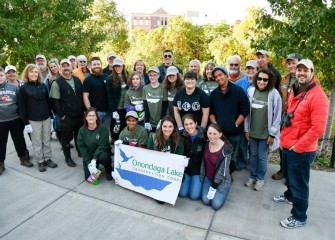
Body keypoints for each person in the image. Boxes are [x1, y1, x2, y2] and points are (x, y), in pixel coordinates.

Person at [273, 59, 328, 229]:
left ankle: (299, 216)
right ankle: (289, 196)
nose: (302, 73)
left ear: (312, 72)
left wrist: (298, 147)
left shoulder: (318, 96)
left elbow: (317, 129)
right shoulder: (295, 89)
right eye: (299, 70)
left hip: (301, 150)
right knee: (290, 178)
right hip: (289, 144)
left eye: (306, 70)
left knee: (299, 184)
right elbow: (290, 117)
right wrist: (283, 140)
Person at [244, 69, 282, 191]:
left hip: (266, 134)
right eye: (259, 79)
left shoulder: (274, 94)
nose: (262, 81)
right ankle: (252, 176)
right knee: (253, 156)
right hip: (253, 131)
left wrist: (272, 134)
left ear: (269, 81)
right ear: (256, 79)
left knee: (262, 156)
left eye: (265, 80)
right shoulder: (250, 91)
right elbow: (246, 113)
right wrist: (246, 130)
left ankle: (260, 179)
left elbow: (277, 116)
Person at [209, 66, 250, 172]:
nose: (218, 78)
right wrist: (215, 126)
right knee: (219, 155)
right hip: (220, 133)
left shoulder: (238, 91)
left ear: (226, 75)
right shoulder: (214, 94)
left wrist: (236, 124)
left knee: (232, 156)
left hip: (234, 132)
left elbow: (245, 109)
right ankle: (220, 173)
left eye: (220, 75)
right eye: (216, 77)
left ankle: (228, 175)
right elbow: (211, 112)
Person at [18, 64, 57, 172]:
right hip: (33, 119)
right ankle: (40, 161)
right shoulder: (23, 89)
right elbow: (22, 108)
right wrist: (26, 123)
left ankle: (48, 159)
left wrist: (51, 115)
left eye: (36, 72)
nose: (34, 74)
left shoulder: (43, 86)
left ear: (38, 74)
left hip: (46, 118)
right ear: (27, 74)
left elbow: (48, 102)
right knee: (37, 142)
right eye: (31, 72)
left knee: (46, 140)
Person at [272, 53, 302, 181]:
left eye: (293, 63)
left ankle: (293, 176)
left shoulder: (307, 80)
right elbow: (279, 97)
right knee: (283, 145)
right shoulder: (284, 80)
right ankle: (283, 170)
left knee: (295, 148)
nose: (291, 66)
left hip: (298, 119)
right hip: (284, 118)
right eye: (289, 64)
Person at [50, 59, 84, 167]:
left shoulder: (77, 80)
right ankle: (68, 158)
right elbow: (54, 101)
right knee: (66, 138)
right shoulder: (56, 83)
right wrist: (62, 115)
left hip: (79, 115)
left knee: (79, 135)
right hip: (67, 116)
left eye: (67, 65)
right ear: (60, 68)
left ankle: (80, 151)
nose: (65, 68)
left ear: (71, 67)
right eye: (63, 66)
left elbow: (81, 96)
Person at [0, 67, 33, 175]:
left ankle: (23, 158)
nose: (0, 78)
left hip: (15, 119)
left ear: (4, 76)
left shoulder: (14, 88)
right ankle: (1, 164)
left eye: (1, 75)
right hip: (1, 121)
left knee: (19, 140)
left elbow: (20, 104)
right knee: (1, 143)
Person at [200, 123, 232, 210]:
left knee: (215, 205)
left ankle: (225, 190)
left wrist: (214, 186)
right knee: (206, 201)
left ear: (220, 134)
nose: (211, 136)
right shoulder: (206, 144)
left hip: (221, 181)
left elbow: (224, 170)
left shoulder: (226, 148)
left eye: (215, 134)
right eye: (209, 133)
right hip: (208, 178)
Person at [77, 107, 112, 181]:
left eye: (93, 115)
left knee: (104, 158)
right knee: (90, 179)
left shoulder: (102, 129)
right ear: (86, 117)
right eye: (89, 115)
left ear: (96, 117)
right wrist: (89, 162)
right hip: (89, 154)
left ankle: (108, 171)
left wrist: (94, 159)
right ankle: (95, 169)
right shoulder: (82, 130)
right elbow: (81, 146)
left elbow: (102, 145)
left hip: (101, 153)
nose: (91, 117)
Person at [179, 114, 206, 200]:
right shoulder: (181, 135)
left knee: (194, 196)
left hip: (197, 171)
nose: (189, 126)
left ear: (196, 123)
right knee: (182, 194)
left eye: (191, 123)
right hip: (186, 170)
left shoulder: (204, 135)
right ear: (183, 126)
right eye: (186, 124)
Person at [83, 56, 110, 128]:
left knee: (106, 133)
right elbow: (85, 96)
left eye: (98, 64)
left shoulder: (107, 77)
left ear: (101, 65)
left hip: (108, 112)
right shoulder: (88, 80)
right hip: (96, 112)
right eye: (94, 65)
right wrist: (90, 110)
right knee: (96, 134)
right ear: (91, 66)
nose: (96, 66)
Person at [106, 58, 128, 141]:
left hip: (126, 107)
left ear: (123, 66)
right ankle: (114, 142)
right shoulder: (109, 79)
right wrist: (113, 111)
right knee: (116, 128)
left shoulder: (126, 77)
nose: (118, 68)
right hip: (116, 108)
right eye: (116, 66)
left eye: (119, 66)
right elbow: (109, 96)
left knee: (124, 126)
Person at [142, 66, 168, 132]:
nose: (152, 77)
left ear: (158, 75)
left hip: (160, 121)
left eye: (154, 75)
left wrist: (161, 119)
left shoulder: (163, 88)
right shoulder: (145, 88)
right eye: (150, 75)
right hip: (150, 122)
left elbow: (164, 105)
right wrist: (147, 121)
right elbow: (145, 106)